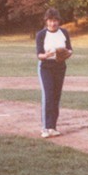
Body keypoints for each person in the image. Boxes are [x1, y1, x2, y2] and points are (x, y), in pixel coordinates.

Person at [35, 8, 73, 138]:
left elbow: (70, 50)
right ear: (46, 21)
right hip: (46, 67)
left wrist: (66, 54)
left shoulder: (64, 32)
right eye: (50, 20)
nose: (53, 23)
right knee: (48, 95)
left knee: (56, 96)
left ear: (59, 21)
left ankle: (53, 127)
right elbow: (39, 54)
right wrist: (47, 55)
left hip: (60, 66)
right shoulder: (41, 34)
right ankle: (45, 128)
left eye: (55, 20)